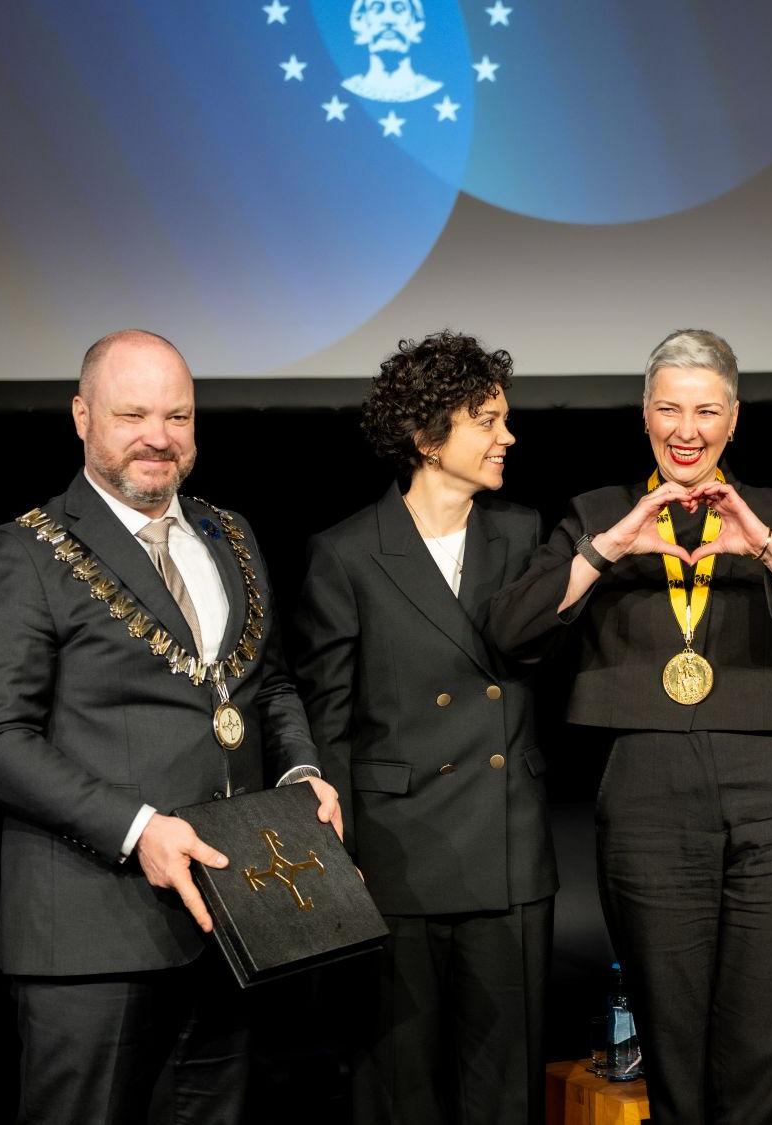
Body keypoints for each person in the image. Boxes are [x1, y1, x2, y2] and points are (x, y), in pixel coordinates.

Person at [0, 328, 342, 1124]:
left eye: (178, 415)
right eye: (133, 414)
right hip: (91, 940)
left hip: (230, 924)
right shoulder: (23, 553)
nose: (159, 437)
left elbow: (265, 688)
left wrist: (301, 775)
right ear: (82, 416)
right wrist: (137, 828)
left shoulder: (231, 535)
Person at [488, 328, 772, 1124]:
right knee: (673, 1053)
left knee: (767, 1050)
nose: (686, 428)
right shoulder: (597, 515)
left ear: (734, 419)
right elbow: (513, 629)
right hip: (646, 792)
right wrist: (606, 550)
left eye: (706, 410)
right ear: (644, 415)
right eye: (669, 407)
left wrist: (765, 548)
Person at [292, 331, 556, 1124]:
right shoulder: (346, 553)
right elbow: (327, 721)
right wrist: (337, 862)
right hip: (395, 859)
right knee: (398, 1090)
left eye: (505, 419)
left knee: (506, 1090)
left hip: (506, 849)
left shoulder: (523, 534)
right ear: (426, 436)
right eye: (487, 420)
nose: (507, 436)